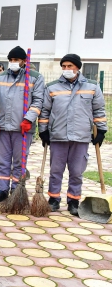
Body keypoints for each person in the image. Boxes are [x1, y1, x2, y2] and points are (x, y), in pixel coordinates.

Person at [38, 54, 107, 215]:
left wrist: (101, 130)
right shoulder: (52, 87)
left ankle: (73, 201)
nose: (67, 69)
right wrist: (43, 132)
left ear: (78, 67)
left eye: (70, 66)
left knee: (77, 172)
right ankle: (54, 199)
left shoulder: (92, 87)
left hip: (81, 137)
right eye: (64, 66)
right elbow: (45, 112)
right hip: (58, 136)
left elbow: (99, 111)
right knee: (56, 171)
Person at [0, 46, 45, 203]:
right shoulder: (1, 77)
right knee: (2, 161)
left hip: (23, 128)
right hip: (3, 127)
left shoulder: (35, 78)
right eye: (11, 60)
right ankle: (2, 190)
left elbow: (39, 101)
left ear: (24, 61)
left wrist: (28, 119)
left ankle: (16, 190)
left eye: (16, 60)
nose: (13, 63)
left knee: (20, 162)